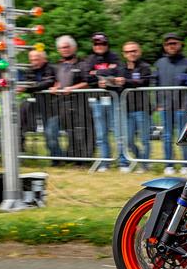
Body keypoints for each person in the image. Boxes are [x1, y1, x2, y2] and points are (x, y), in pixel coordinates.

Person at [154, 32, 187, 175]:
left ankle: (185, 165)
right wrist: (158, 103)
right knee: (167, 136)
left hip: (182, 106)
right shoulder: (159, 63)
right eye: (168, 44)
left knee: (184, 137)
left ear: (180, 44)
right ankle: (168, 164)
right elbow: (156, 83)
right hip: (165, 107)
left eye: (174, 43)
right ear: (164, 46)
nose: (171, 46)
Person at [49, 35, 92, 164]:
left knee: (82, 131)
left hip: (79, 102)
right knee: (69, 131)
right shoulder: (58, 66)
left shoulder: (83, 64)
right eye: (62, 48)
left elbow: (87, 82)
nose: (64, 50)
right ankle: (72, 158)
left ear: (73, 48)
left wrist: (72, 88)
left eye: (67, 47)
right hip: (63, 104)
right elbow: (56, 81)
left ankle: (84, 160)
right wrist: (55, 87)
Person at [84, 32, 122, 172]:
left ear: (107, 44)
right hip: (97, 100)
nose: (99, 46)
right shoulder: (90, 59)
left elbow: (119, 71)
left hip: (114, 99)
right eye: (96, 44)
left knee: (118, 133)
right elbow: (87, 77)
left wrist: (98, 74)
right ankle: (105, 162)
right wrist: (108, 73)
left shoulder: (115, 57)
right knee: (101, 134)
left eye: (102, 43)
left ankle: (123, 163)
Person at [114, 41, 153, 172]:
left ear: (139, 51)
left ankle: (145, 165)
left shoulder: (145, 67)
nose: (131, 54)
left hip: (142, 108)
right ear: (124, 54)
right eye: (128, 52)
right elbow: (117, 86)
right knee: (128, 140)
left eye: (134, 51)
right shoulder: (120, 68)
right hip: (127, 109)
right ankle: (140, 158)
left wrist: (126, 82)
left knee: (144, 139)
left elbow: (144, 81)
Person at [18, 50, 56, 153]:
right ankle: (20, 149)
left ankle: (56, 158)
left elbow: (48, 82)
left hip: (50, 104)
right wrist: (25, 86)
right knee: (19, 117)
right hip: (34, 102)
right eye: (31, 60)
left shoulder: (50, 68)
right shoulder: (30, 69)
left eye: (36, 59)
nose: (34, 62)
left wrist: (28, 88)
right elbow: (26, 82)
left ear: (43, 59)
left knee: (50, 132)